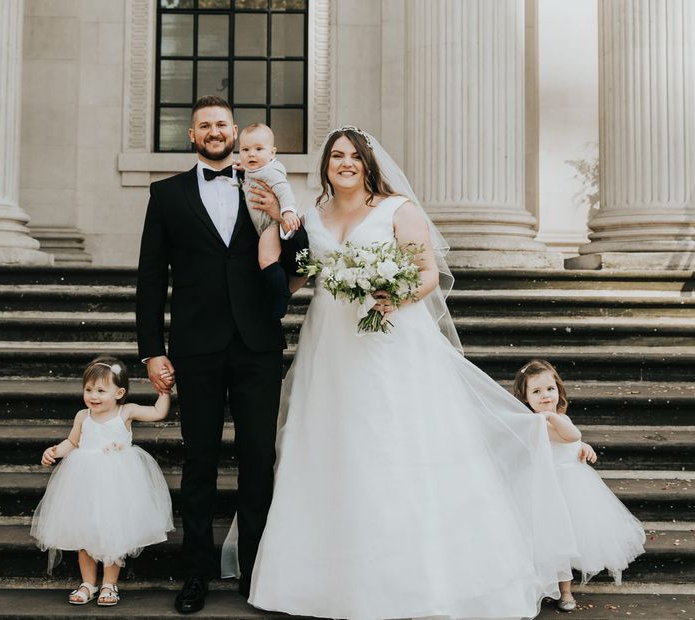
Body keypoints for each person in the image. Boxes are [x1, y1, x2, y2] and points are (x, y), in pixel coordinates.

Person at [248, 126, 578, 620]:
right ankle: (318, 582)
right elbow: (299, 279)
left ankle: (416, 579)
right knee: (326, 444)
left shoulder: (397, 209)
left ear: (368, 163)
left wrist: (390, 299)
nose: (344, 163)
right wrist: (276, 228)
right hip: (329, 345)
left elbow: (426, 274)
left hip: (388, 342)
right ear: (325, 164)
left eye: (353, 157)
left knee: (393, 442)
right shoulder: (312, 214)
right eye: (336, 156)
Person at [135, 96, 305, 613]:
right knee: (199, 460)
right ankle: (196, 573)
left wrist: (283, 221)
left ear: (235, 132)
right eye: (204, 125)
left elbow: (302, 260)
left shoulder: (266, 182)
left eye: (221, 124)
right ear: (192, 135)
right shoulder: (166, 195)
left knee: (258, 459)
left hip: (256, 344)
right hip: (196, 347)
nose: (214, 131)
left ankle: (257, 571)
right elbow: (149, 279)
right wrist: (152, 353)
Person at [30, 356, 174, 607]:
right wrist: (54, 451)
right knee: (85, 535)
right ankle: (88, 583)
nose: (93, 396)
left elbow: (158, 412)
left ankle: (109, 583)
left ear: (119, 393)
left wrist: (164, 390)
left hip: (118, 484)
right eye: (88, 390)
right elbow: (73, 442)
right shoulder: (82, 416)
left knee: (114, 532)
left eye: (100, 390)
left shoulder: (125, 412)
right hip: (85, 483)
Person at [514, 359, 646, 612]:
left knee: (566, 539)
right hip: (545, 490)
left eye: (550, 389)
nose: (545, 396)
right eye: (536, 392)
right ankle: (548, 587)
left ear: (558, 390)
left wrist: (583, 446)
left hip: (572, 488)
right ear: (525, 398)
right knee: (548, 540)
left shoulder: (559, 417)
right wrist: (559, 425)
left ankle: (564, 591)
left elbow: (572, 438)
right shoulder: (533, 423)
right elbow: (568, 435)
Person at [237, 122, 301, 319]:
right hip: (262, 225)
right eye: (245, 150)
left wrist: (288, 212)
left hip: (271, 225)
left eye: (258, 149)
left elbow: (283, 190)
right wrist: (242, 169)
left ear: (272, 153)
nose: (251, 155)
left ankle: (282, 295)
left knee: (267, 260)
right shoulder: (253, 169)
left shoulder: (271, 171)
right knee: (269, 261)